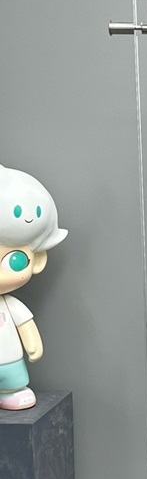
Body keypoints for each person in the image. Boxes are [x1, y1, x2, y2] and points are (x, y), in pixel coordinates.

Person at [0, 165, 67, 410]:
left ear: (37, 260)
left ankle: (12, 390)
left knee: (13, 379)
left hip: (8, 363)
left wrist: (33, 345)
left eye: (14, 260)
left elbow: (25, 325)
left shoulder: (11, 305)